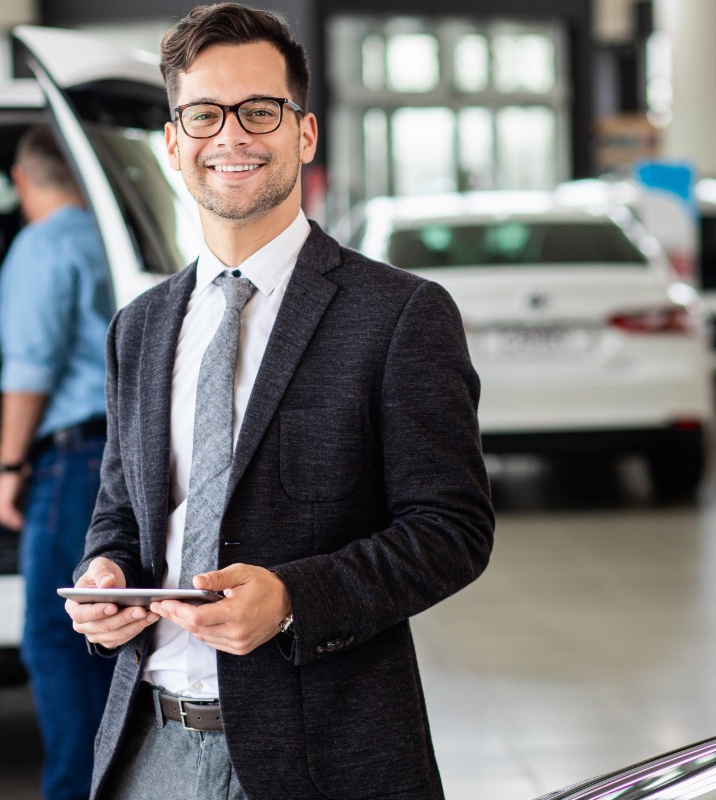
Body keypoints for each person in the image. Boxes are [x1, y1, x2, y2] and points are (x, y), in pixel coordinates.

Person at [63, 4, 496, 799]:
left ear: (304, 133)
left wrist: (295, 599)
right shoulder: (142, 327)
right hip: (150, 745)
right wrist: (107, 573)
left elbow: (453, 529)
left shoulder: (398, 314)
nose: (230, 135)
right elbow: (122, 510)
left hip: (325, 754)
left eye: (260, 110)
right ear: (172, 142)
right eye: (202, 115)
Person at [0, 124, 117, 800]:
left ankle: (76, 790)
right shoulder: (107, 236)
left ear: (22, 180)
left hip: (70, 461)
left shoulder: (42, 245)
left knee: (55, 635)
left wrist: (9, 467)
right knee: (103, 630)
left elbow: (31, 369)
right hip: (116, 453)